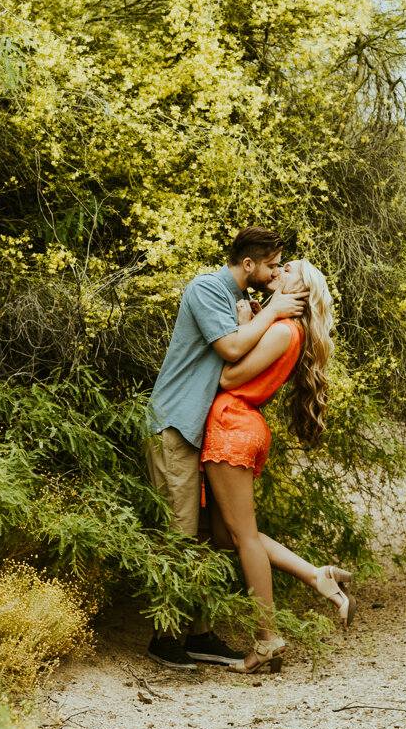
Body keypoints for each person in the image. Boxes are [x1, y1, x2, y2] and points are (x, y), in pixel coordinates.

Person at [144, 227, 305, 670]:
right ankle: (165, 638)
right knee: (179, 533)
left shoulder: (239, 302)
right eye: (271, 265)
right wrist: (271, 311)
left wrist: (258, 314)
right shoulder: (206, 287)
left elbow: (239, 350)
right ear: (248, 264)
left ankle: (197, 635)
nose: (275, 274)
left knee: (202, 537)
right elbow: (231, 347)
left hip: (201, 429)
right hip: (176, 423)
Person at [204, 260, 354, 673]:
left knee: (244, 538)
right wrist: (250, 318)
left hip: (232, 423)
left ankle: (268, 638)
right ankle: (316, 576)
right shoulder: (286, 330)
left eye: (286, 269)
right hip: (240, 425)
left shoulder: (285, 330)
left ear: (299, 288)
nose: (277, 273)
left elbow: (230, 380)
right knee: (225, 535)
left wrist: (244, 326)